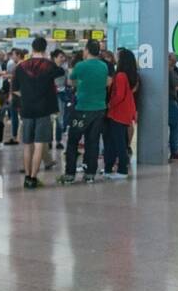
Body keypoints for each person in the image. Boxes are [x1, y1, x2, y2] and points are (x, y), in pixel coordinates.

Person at [59, 39, 111, 185]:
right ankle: (90, 174)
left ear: (87, 50)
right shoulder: (103, 66)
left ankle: (70, 174)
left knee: (73, 141)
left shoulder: (81, 65)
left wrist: (80, 85)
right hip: (99, 109)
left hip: (82, 108)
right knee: (93, 141)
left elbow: (71, 82)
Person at [12, 36, 60, 189]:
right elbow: (60, 74)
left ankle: (26, 177)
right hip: (43, 109)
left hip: (26, 109)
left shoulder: (20, 66)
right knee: (39, 144)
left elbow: (16, 90)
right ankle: (33, 178)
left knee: (27, 144)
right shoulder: (49, 65)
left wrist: (27, 96)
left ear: (32, 48)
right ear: (45, 49)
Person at [103, 47, 138, 180]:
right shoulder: (128, 76)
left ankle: (122, 170)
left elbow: (119, 95)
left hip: (118, 112)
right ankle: (110, 168)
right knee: (117, 141)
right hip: (123, 112)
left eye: (118, 55)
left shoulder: (121, 76)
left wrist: (109, 104)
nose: (115, 57)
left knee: (118, 142)